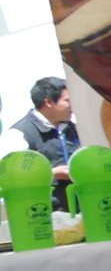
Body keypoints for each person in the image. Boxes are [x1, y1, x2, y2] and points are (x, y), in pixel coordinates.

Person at [0, 77, 80, 211]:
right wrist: (51, 173)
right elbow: (10, 178)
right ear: (49, 102)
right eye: (67, 101)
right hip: (44, 214)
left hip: (79, 209)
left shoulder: (74, 129)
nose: (73, 106)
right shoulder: (20, 134)